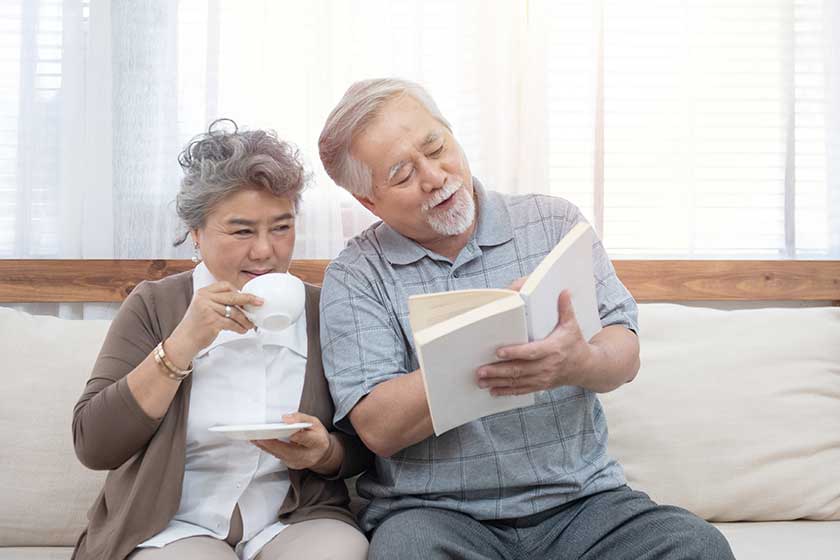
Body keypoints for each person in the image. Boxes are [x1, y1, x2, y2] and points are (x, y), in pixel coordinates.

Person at [317, 79, 735, 559]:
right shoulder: (355, 275)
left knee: (696, 546)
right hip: (437, 516)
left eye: (436, 147)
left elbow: (625, 353)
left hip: (583, 506)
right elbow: (378, 429)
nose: (434, 176)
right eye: (402, 174)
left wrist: (576, 361)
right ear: (370, 201)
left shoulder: (552, 222)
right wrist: (479, 343)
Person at [71, 120, 370, 560]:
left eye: (282, 227)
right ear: (196, 232)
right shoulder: (156, 305)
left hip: (292, 520)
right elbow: (93, 444)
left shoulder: (321, 308)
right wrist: (183, 343)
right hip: (172, 526)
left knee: (341, 551)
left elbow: (365, 444)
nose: (266, 251)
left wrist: (325, 453)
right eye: (242, 231)